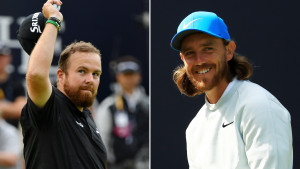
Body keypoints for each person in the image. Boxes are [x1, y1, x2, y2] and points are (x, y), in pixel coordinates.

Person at [170, 11, 293, 169]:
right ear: (183, 59)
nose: (199, 60)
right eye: (190, 53)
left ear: (229, 51)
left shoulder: (259, 106)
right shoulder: (194, 128)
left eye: (207, 49)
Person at [19, 0, 107, 168]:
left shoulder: (87, 117)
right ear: (61, 75)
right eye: (82, 71)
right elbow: (36, 75)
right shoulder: (50, 107)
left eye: (96, 74)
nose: (90, 79)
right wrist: (54, 19)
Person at [95, 56, 149, 169]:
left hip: (145, 163)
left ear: (139, 76)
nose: (128, 78)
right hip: (118, 165)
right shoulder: (109, 106)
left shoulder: (148, 105)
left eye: (132, 74)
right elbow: (102, 139)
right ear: (118, 77)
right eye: (125, 75)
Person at [0, 42, 26, 129]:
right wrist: (9, 108)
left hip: (10, 133)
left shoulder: (16, 84)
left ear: (9, 58)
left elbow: (21, 110)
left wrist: (2, 108)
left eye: (2, 57)